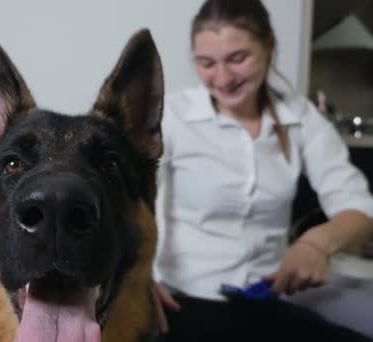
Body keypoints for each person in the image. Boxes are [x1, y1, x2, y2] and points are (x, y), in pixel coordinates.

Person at [152, 0, 373, 340]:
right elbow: (127, 200)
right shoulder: (173, 118)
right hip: (184, 299)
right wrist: (137, 279)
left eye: (238, 58)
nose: (223, 78)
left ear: (269, 46)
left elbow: (358, 207)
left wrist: (317, 243)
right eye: (207, 63)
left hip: (270, 297)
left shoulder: (300, 117)